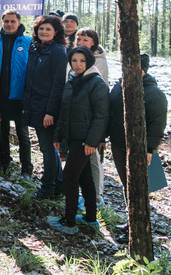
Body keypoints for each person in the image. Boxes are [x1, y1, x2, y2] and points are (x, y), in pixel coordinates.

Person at [47, 46, 109, 235]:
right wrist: (58, 136)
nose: (78, 64)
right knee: (85, 177)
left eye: (82, 61)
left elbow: (101, 116)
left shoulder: (97, 83)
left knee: (70, 177)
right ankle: (90, 218)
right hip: (72, 138)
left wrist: (92, 141)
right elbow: (64, 111)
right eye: (74, 61)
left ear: (89, 61)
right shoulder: (72, 80)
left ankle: (69, 222)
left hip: (84, 141)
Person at [107, 53, 168, 240]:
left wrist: (149, 149)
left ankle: (140, 227)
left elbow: (158, 124)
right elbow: (110, 111)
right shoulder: (119, 86)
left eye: (135, 67)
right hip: (118, 143)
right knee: (127, 185)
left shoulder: (154, 94)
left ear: (143, 70)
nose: (129, 71)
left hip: (140, 148)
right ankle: (130, 222)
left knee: (139, 187)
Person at [22, 15, 68, 200]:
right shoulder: (34, 48)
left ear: (56, 32)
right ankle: (58, 185)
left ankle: (47, 188)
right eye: (41, 29)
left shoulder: (58, 51)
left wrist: (50, 112)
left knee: (48, 150)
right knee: (48, 149)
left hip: (48, 108)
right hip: (35, 104)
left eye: (48, 29)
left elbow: (58, 83)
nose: (44, 32)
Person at [0, 9, 33, 179]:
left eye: (13, 21)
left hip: (19, 96)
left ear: (19, 23)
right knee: (2, 132)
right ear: (2, 22)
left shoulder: (28, 42)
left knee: (23, 134)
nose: (9, 24)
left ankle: (26, 169)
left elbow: (32, 70)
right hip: (0, 95)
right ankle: (3, 165)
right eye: (6, 21)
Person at [74, 27, 109, 210]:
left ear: (93, 42)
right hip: (77, 116)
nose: (81, 42)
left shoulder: (99, 61)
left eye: (85, 39)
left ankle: (96, 197)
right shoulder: (75, 56)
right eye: (78, 39)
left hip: (91, 116)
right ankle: (86, 195)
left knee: (93, 157)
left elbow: (99, 91)